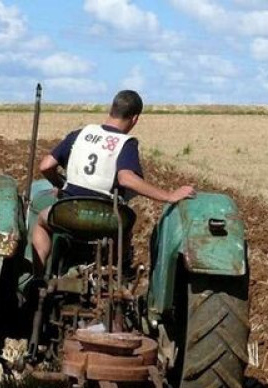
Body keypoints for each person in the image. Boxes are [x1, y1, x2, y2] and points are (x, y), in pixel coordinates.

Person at [31, 90, 195, 276]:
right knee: (124, 227)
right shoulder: (125, 143)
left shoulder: (81, 134)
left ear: (111, 109)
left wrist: (60, 185)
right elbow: (126, 178)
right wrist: (168, 196)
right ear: (134, 119)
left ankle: (38, 275)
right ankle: (115, 272)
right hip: (106, 219)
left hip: (68, 213)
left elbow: (45, 166)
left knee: (42, 222)